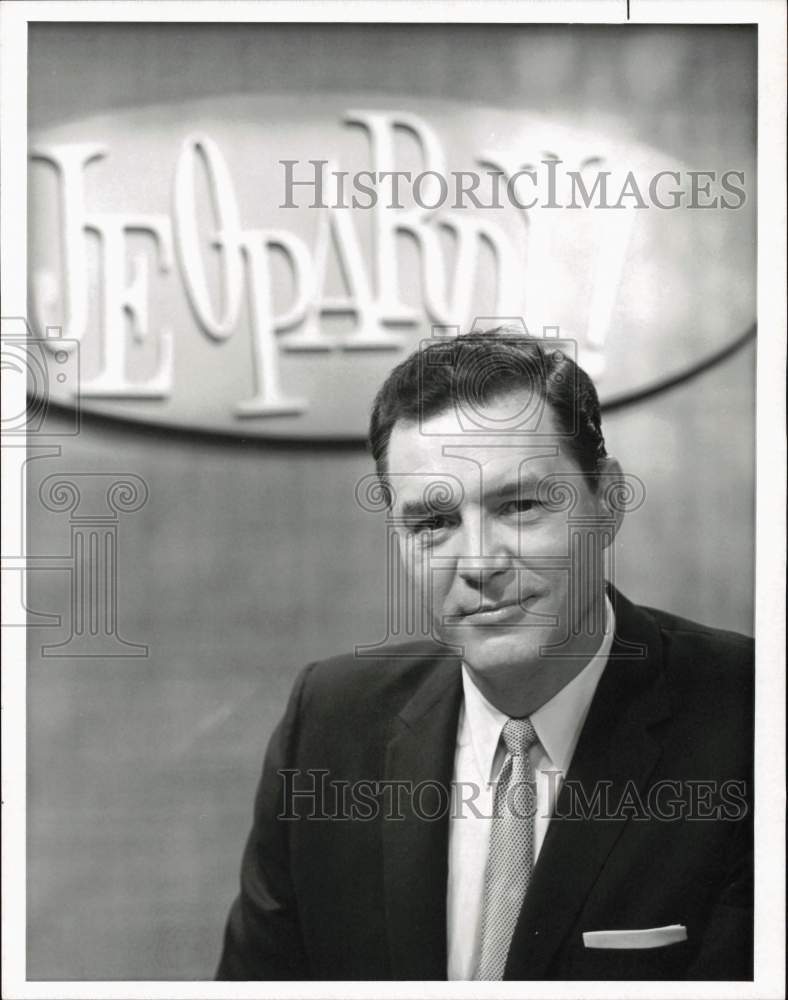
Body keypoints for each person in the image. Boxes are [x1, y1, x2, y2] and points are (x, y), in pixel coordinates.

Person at [216, 331, 753, 981]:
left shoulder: (753, 721)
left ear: (607, 502)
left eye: (519, 506)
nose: (479, 564)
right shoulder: (328, 725)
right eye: (433, 523)